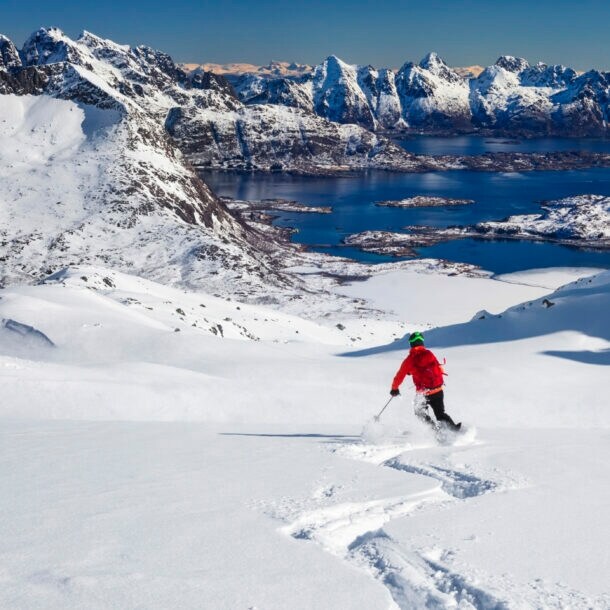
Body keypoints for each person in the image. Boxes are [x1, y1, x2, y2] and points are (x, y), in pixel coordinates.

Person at [390, 331, 461, 431]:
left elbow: (400, 375)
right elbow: (438, 368)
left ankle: (434, 431)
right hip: (438, 390)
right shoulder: (429, 354)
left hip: (424, 393)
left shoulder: (410, 360)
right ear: (422, 342)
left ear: (411, 344)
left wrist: (394, 389)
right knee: (440, 414)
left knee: (419, 412)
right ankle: (454, 430)